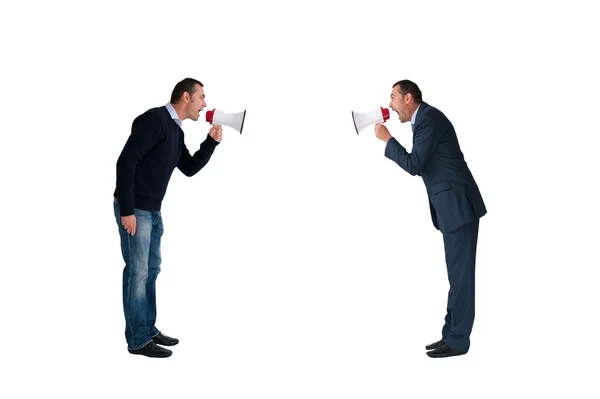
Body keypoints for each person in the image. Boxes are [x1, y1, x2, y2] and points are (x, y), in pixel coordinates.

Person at [374, 80, 487, 358]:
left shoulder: (428, 120)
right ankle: (450, 334)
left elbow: (415, 164)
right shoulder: (424, 119)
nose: (390, 104)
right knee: (456, 277)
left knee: (461, 279)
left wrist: (388, 140)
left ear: (408, 98)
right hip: (453, 209)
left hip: (459, 209)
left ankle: (458, 342)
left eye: (393, 98)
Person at [113, 78, 223, 358]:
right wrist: (127, 210)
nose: (205, 104)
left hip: (152, 211)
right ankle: (137, 340)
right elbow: (126, 162)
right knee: (137, 274)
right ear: (186, 97)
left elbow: (188, 168)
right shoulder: (154, 120)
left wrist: (210, 144)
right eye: (201, 97)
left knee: (151, 271)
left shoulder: (175, 131)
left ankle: (148, 329)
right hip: (136, 209)